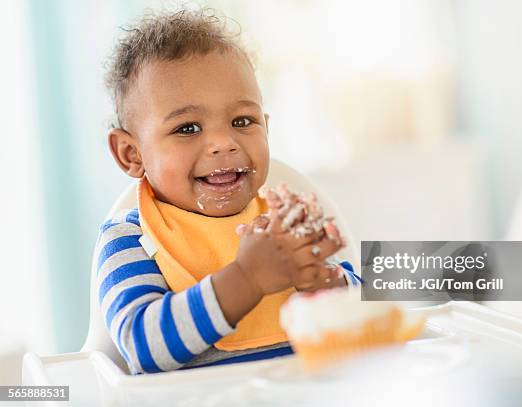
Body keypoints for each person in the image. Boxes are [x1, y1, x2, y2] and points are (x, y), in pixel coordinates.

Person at [96, 8, 360, 374]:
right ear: (132, 153)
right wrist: (247, 278)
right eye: (187, 128)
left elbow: (365, 307)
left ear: (265, 127)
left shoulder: (280, 220)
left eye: (242, 121)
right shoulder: (131, 240)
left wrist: (325, 282)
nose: (223, 142)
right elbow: (143, 346)